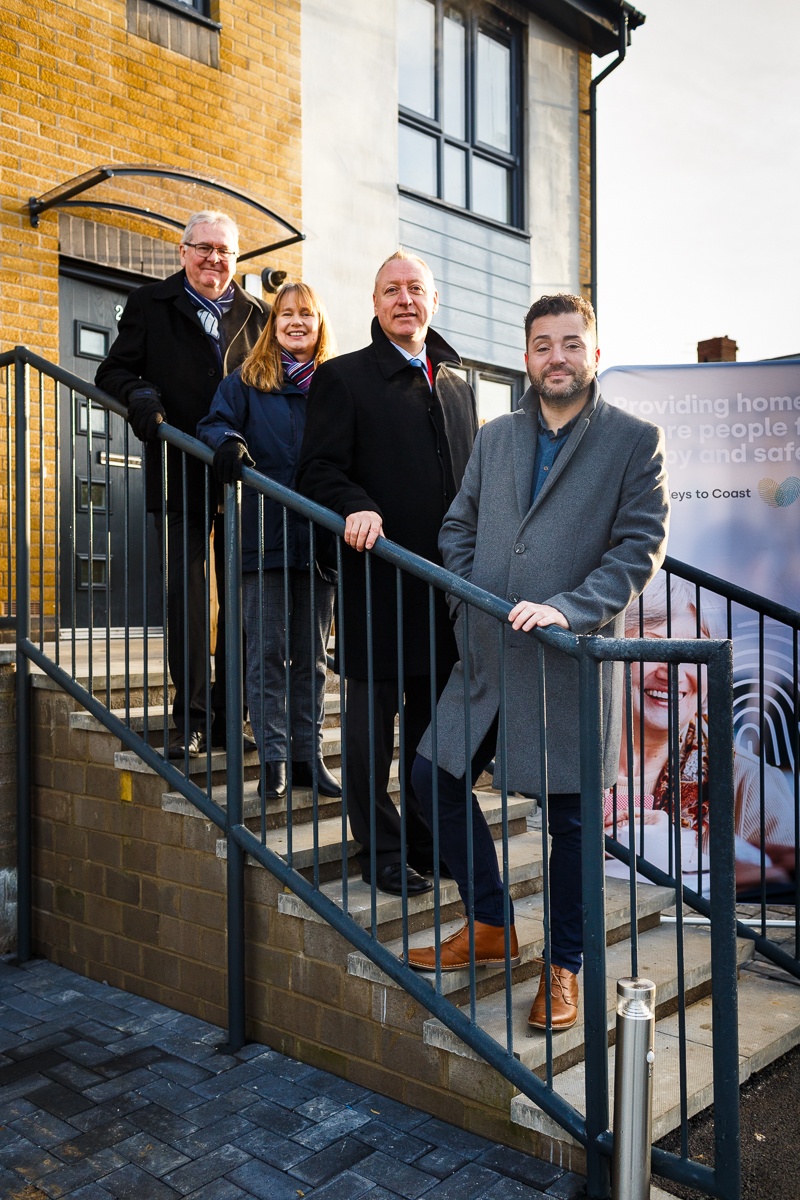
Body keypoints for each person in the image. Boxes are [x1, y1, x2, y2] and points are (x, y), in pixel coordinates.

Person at [405, 293, 670, 1033]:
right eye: (543, 345)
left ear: (592, 350)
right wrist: (471, 598)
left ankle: (566, 967)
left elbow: (638, 548)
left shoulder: (632, 440)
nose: (558, 357)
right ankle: (490, 924)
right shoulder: (496, 438)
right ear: (526, 356)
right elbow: (457, 526)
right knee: (432, 776)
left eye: (571, 343)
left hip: (564, 660)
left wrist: (571, 609)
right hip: (487, 654)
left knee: (570, 821)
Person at [296, 250, 478, 896]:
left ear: (433, 301)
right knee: (371, 735)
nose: (405, 299)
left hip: (444, 590)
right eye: (391, 290)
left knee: (434, 732)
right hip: (378, 580)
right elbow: (317, 469)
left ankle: (429, 843)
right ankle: (381, 850)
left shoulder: (455, 382)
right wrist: (356, 505)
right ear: (375, 304)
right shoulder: (343, 378)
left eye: (416, 289)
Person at [96, 210, 267, 757]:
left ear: (236, 259)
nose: (215, 259)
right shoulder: (151, 304)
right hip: (180, 469)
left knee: (241, 602)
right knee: (188, 600)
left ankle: (230, 715)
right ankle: (191, 719)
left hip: (240, 473)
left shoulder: (256, 313)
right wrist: (142, 394)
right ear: (183, 251)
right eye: (205, 248)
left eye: (226, 251)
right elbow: (112, 372)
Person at [197, 281, 341, 800]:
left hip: (320, 544)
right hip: (261, 538)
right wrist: (230, 442)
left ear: (319, 322)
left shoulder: (336, 384)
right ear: (273, 324)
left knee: (313, 657)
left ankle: (309, 757)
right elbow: (212, 424)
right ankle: (274, 759)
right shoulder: (246, 382)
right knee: (265, 654)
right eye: (286, 315)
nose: (296, 322)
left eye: (306, 313)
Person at [606, 574, 797, 896]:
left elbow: (783, 906)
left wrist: (678, 850)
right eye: (653, 646)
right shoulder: (553, 761)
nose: (672, 671)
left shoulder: (750, 781)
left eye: (693, 653)